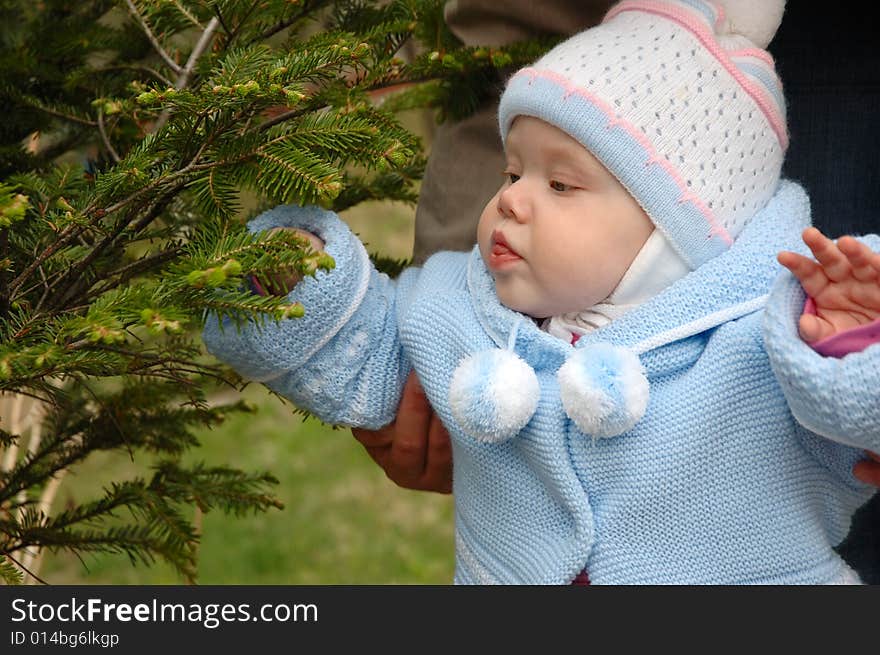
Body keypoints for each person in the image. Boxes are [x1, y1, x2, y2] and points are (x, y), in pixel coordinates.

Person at [203, 0, 880, 583]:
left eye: (559, 184)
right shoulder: (466, 312)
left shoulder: (762, 350)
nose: (512, 202)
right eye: (512, 171)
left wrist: (852, 341)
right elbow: (368, 352)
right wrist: (296, 282)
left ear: (674, 233)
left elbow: (855, 413)